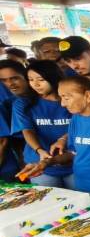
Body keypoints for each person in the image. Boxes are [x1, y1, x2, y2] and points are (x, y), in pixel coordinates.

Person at [12, 60, 73, 188]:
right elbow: (27, 130)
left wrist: (63, 139)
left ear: (53, 77)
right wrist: (40, 150)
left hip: (73, 162)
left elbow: (83, 124)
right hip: (40, 164)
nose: (35, 84)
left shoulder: (70, 99)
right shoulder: (23, 104)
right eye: (30, 79)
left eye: (40, 79)